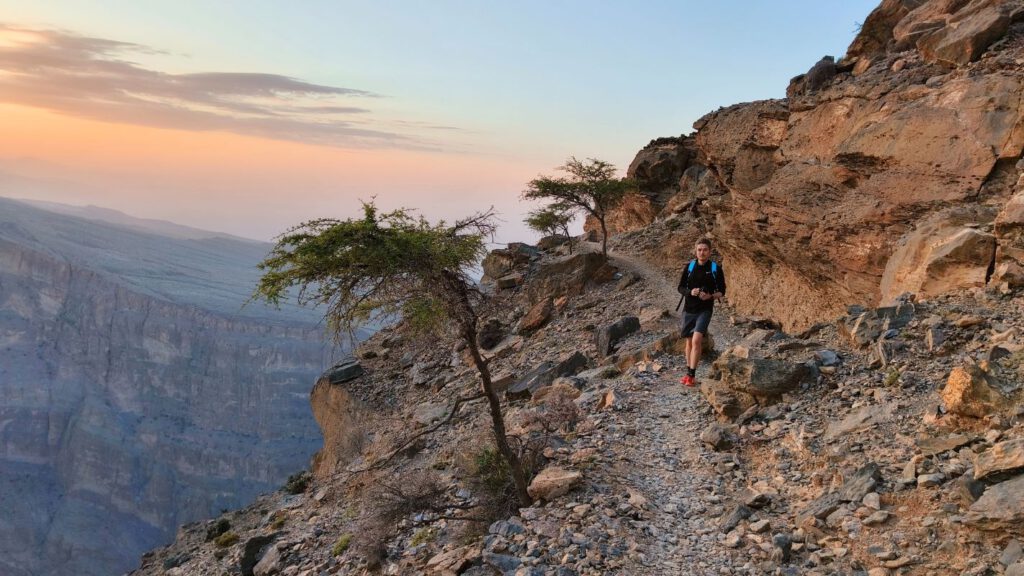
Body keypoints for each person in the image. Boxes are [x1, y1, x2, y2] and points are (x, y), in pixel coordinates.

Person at [676, 238, 726, 387]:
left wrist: (710, 296)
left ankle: (692, 375)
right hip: (689, 308)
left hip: (705, 309)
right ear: (695, 251)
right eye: (699, 250)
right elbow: (680, 287)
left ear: (710, 251)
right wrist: (691, 291)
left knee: (697, 340)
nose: (702, 252)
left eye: (705, 250)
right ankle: (688, 373)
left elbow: (722, 291)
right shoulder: (690, 267)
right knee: (689, 342)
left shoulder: (715, 268)